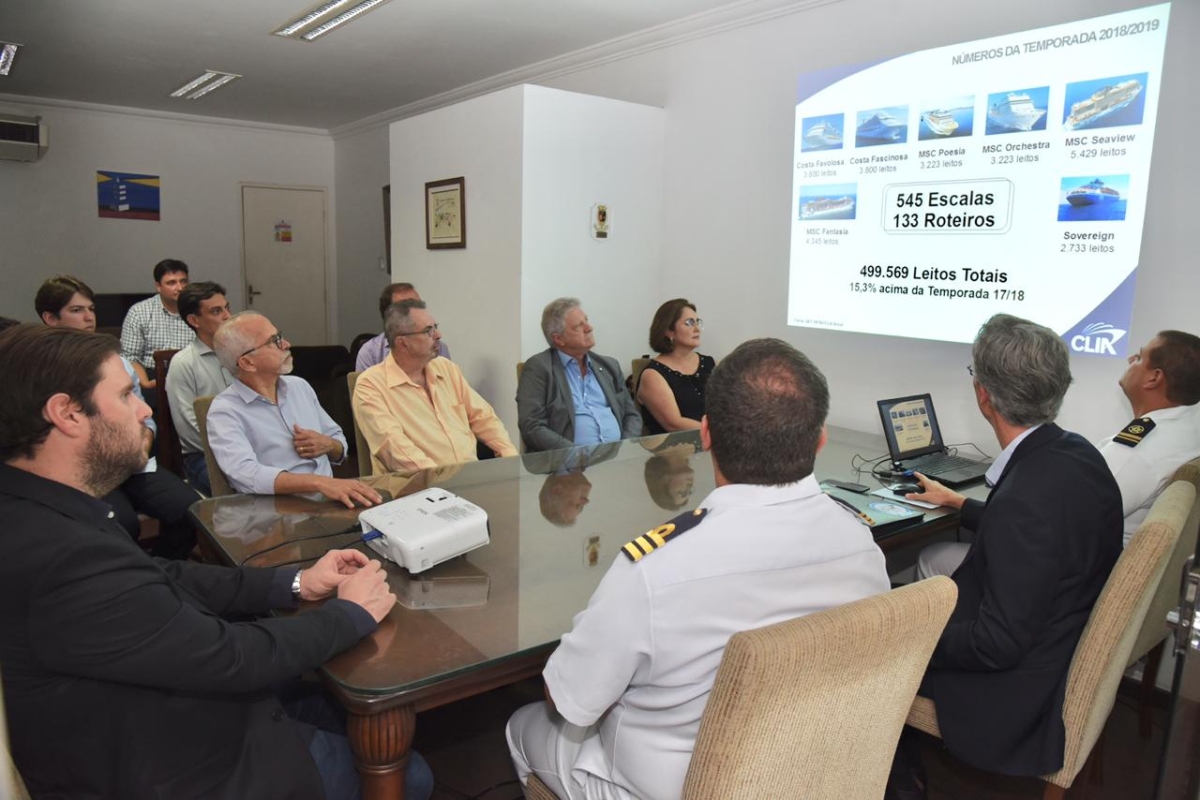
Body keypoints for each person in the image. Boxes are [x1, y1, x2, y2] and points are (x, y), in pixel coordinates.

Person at [0, 323, 433, 800]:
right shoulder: (58, 554)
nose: (145, 409)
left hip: (158, 710)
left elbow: (162, 574)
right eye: (126, 395)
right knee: (410, 771)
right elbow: (232, 657)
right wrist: (349, 614)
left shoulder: (44, 508)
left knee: (361, 707)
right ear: (66, 413)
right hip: (180, 763)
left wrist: (297, 583)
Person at [507, 338, 890, 800]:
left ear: (705, 435)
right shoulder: (861, 545)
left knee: (522, 724)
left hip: (669, 788)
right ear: (821, 438)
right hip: (811, 772)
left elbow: (569, 700)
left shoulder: (657, 568)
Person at [901, 314, 1122, 784]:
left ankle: (900, 780)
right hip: (1055, 638)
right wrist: (963, 505)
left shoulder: (1025, 501)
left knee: (862, 650)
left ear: (983, 394)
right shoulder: (1077, 454)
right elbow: (1049, 536)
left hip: (1010, 696)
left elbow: (994, 646)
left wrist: (907, 633)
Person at [36, 275, 198, 558]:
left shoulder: (117, 360)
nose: (88, 317)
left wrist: (142, 443)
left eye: (91, 309)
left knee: (191, 511)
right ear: (50, 318)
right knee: (121, 524)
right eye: (76, 310)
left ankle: (163, 570)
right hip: (84, 469)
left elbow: (144, 418)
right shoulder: (41, 369)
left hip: (131, 463)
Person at [208, 312, 382, 507]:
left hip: (332, 502)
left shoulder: (299, 386)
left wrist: (329, 445)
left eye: (279, 336)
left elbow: (339, 443)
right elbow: (247, 475)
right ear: (247, 363)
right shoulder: (224, 411)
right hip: (278, 514)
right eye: (274, 341)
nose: (286, 344)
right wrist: (319, 483)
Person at [353, 299, 517, 473]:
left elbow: (484, 417)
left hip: (469, 481)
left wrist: (510, 459)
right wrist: (448, 483)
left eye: (435, 326)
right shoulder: (370, 385)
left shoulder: (446, 368)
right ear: (403, 343)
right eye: (428, 331)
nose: (438, 335)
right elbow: (396, 451)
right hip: (417, 491)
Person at [1099, 330, 1200, 544]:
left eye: (1139, 357)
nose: (1130, 360)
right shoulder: (1187, 423)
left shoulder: (1135, 453)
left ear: (1154, 378)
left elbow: (1069, 518)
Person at [517, 298, 642, 452]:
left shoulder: (609, 366)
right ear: (558, 339)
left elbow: (631, 415)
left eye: (586, 321)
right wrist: (575, 455)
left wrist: (625, 450)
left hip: (616, 462)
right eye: (578, 326)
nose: (589, 328)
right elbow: (532, 426)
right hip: (568, 467)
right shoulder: (539, 368)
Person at [165, 281, 234, 495]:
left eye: (227, 308)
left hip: (248, 446)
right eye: (216, 311)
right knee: (246, 490)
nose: (227, 316)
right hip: (205, 456)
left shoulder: (242, 354)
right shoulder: (183, 363)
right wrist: (236, 447)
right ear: (195, 320)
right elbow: (189, 428)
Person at [636, 299, 715, 435]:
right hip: (674, 450)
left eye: (698, 322)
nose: (697, 329)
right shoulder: (652, 375)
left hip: (714, 444)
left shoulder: (709, 363)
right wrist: (719, 434)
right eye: (689, 323)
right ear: (669, 331)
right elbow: (673, 424)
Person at [119, 258, 196, 397]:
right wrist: (145, 383)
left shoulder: (197, 310)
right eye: (171, 283)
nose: (180, 288)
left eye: (183, 281)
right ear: (158, 286)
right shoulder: (140, 312)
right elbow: (130, 356)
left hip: (192, 375)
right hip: (152, 375)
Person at [355, 282, 450, 373]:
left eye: (419, 304)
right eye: (409, 307)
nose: (419, 311)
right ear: (389, 317)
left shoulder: (438, 347)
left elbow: (448, 387)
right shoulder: (370, 353)